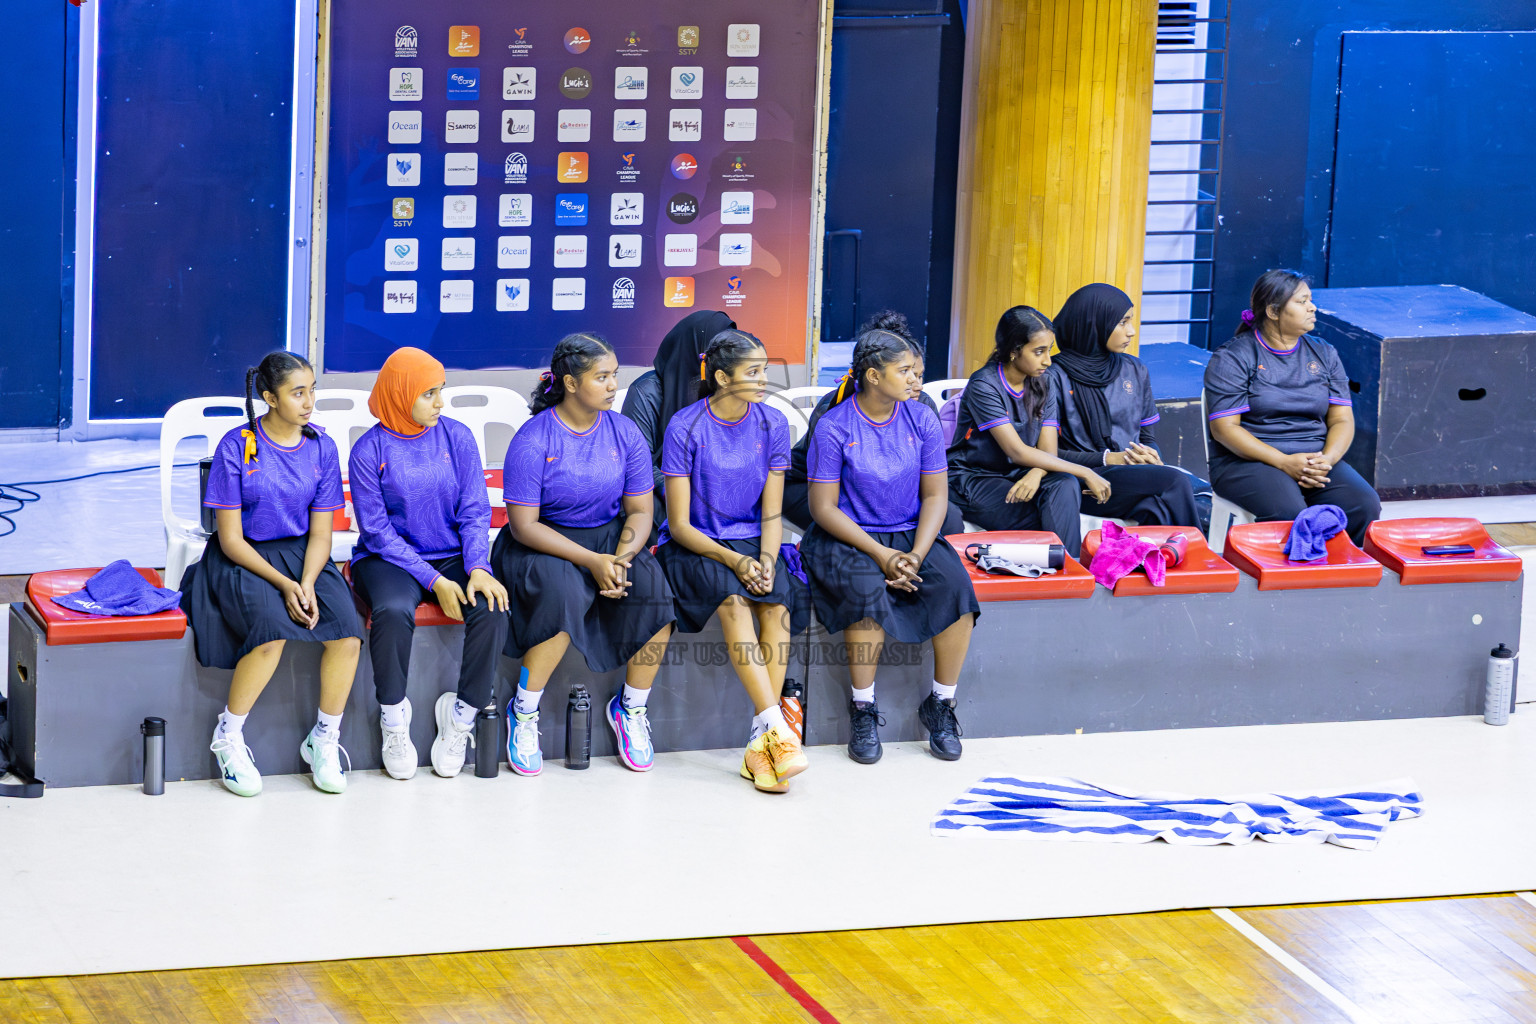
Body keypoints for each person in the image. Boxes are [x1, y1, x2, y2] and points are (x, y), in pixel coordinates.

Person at [494, 333, 676, 775]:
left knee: (656, 595)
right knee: (563, 597)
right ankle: (524, 711)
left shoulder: (625, 432)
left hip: (611, 541)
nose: (613, 386)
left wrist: (622, 558)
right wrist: (592, 562)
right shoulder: (534, 438)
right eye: (602, 377)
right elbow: (523, 525)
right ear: (571, 383)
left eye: (615, 375)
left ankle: (631, 709)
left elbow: (640, 511)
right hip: (542, 542)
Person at [182, 351, 362, 797]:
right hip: (244, 555)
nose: (309, 402)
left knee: (347, 631)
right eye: (297, 393)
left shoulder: (322, 447)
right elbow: (230, 539)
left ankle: (323, 738)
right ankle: (228, 734)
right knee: (271, 630)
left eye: (312, 390)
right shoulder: (236, 446)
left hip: (303, 555)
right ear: (270, 397)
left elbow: (321, 533)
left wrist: (306, 581)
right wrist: (284, 585)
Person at [801, 327, 980, 765]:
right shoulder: (834, 426)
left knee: (957, 589)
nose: (916, 379)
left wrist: (915, 554)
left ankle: (941, 703)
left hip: (910, 534)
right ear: (873, 376)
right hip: (848, 535)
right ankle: (863, 707)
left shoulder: (922, 419)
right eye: (905, 371)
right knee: (867, 593)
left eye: (916, 371)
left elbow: (935, 496)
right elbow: (823, 508)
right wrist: (882, 555)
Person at [655, 328, 812, 792]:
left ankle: (761, 746)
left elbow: (772, 513)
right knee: (735, 602)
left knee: (777, 606)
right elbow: (679, 524)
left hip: (756, 542)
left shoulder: (773, 423)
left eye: (765, 370)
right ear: (722, 377)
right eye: (753, 371)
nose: (764, 380)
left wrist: (766, 559)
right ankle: (778, 728)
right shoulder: (685, 426)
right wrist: (736, 563)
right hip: (697, 545)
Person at [348, 347, 510, 781]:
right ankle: (393, 720)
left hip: (452, 554)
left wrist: (478, 567)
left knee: (492, 605)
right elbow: (377, 531)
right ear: (400, 395)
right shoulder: (368, 450)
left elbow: (475, 510)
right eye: (429, 393)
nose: (441, 402)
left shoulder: (457, 437)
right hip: (388, 558)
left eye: (442, 390)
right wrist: (434, 580)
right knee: (392, 610)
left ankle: (461, 716)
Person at [1204, 270, 1381, 543]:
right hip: (1247, 462)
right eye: (1302, 301)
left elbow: (1342, 420)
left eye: (1310, 300)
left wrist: (1327, 460)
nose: (1312, 307)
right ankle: (1292, 570)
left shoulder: (1324, 353)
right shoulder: (1232, 357)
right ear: (1273, 311)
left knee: (1363, 504)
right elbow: (1225, 429)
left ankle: (1339, 567)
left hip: (1313, 458)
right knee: (1288, 513)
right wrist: (1284, 462)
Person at [946, 306, 1112, 556]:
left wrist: (1036, 472)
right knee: (1053, 511)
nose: (1048, 360)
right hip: (973, 479)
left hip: (1017, 473)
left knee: (1065, 484)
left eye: (1049, 350)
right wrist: (1085, 471)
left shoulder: (1045, 381)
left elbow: (1048, 451)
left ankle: (1070, 569)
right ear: (1014, 351)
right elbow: (1016, 451)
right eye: (1039, 351)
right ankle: (1064, 568)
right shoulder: (984, 384)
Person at [784, 311, 962, 536]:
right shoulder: (835, 408)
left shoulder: (923, 407)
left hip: (891, 489)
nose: (916, 384)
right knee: (850, 518)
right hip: (819, 485)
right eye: (905, 372)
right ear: (875, 375)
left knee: (948, 517)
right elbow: (830, 483)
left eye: (919, 375)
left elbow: (928, 477)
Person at [1047, 284, 1201, 532]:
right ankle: (1197, 552)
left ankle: (1165, 556)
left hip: (1130, 477)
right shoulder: (1051, 376)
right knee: (1175, 481)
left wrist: (1151, 456)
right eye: (1122, 322)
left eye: (1131, 321)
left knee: (1155, 509)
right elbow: (1044, 453)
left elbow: (1147, 438)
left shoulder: (1134, 369)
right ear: (1094, 324)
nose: (1131, 331)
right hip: (1082, 481)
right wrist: (1108, 459)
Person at [621, 309, 736, 539]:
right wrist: (679, 490)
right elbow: (637, 462)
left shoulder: (723, 386)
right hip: (660, 488)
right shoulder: (646, 391)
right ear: (697, 349)